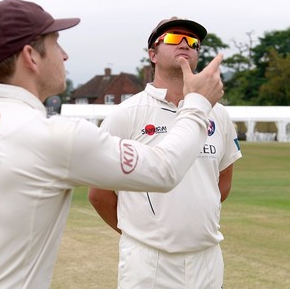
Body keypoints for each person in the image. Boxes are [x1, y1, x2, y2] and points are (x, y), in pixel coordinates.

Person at [0, 0, 225, 289]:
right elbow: (164, 170)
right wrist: (197, 104)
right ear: (31, 56)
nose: (64, 56)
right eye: (56, 44)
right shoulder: (55, 136)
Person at [88, 17, 243, 288]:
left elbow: (222, 182)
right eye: (173, 38)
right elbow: (99, 194)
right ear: (153, 55)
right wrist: (140, 235)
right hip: (148, 260)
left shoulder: (218, 113)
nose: (185, 43)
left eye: (192, 42)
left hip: (207, 256)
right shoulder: (126, 114)